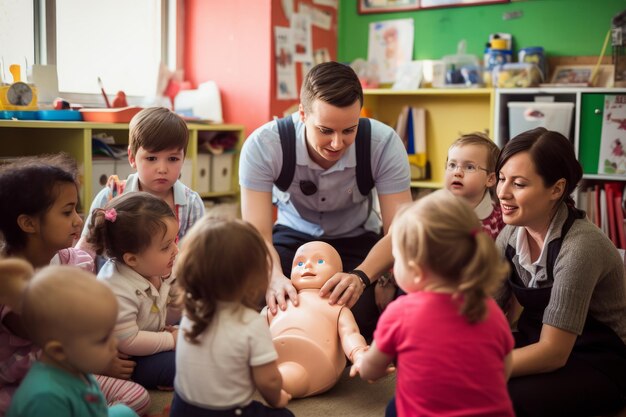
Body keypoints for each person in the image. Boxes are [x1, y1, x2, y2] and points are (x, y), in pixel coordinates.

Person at [239, 61, 412, 340]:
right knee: (258, 301)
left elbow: (401, 230)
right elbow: (257, 233)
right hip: (291, 242)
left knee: (359, 318)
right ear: (303, 114)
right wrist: (273, 277)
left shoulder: (384, 144)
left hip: (357, 242)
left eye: (349, 131)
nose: (337, 143)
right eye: (325, 130)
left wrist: (361, 277)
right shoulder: (263, 145)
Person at [0, 154, 150, 415]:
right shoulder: (16, 291)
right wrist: (97, 361)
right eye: (67, 212)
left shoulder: (65, 258)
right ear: (28, 223)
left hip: (73, 367)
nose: (78, 220)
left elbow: (91, 254)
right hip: (26, 382)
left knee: (135, 398)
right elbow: (59, 341)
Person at [494, 127, 626, 417]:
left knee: (501, 399)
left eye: (519, 184)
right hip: (536, 340)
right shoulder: (509, 235)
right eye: (502, 179)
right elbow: (483, 306)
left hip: (597, 359)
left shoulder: (581, 246)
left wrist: (483, 369)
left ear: (556, 189)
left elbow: (554, 352)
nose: (502, 192)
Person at [357, 189, 514, 417]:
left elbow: (372, 369)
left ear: (417, 271)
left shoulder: (400, 312)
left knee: (393, 408)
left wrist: (363, 362)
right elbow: (504, 367)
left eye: (397, 259)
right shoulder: (489, 308)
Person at [171, 216, 294, 417]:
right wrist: (277, 399)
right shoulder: (252, 323)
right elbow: (268, 381)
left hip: (182, 408)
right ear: (254, 277)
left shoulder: (191, 311)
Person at [5, 265, 136, 417]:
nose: (115, 343)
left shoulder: (75, 365)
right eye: (103, 339)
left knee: (126, 412)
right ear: (58, 351)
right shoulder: (45, 399)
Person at [77, 106, 205, 254]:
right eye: (151, 158)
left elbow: (197, 257)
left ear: (183, 158)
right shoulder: (110, 196)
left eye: (172, 159)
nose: (162, 169)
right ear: (132, 157)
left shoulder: (192, 204)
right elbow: (86, 251)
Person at [89, 192, 180, 390]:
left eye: (175, 240)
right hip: (130, 357)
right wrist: (171, 340)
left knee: (201, 336)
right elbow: (128, 341)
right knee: (181, 366)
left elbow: (177, 296)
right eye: (166, 247)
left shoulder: (155, 266)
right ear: (132, 259)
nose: (176, 250)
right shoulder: (116, 288)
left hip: (154, 332)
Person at [266, 241, 368, 398]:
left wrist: (359, 354)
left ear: (338, 273)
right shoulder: (280, 300)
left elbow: (350, 334)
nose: (307, 266)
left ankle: (276, 385)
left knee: (280, 380)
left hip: (320, 364)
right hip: (268, 357)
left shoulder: (337, 306)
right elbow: (253, 330)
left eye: (320, 261)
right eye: (299, 263)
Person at [445, 132, 505, 239]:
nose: (457, 172)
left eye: (469, 167)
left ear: (490, 179)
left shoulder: (501, 220)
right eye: (452, 165)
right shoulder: (436, 214)